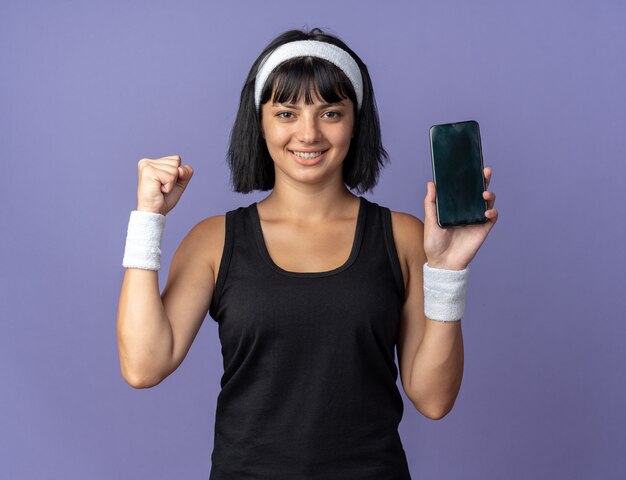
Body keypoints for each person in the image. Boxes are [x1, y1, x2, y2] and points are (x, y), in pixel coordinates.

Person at [117, 27, 498, 479]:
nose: (309, 133)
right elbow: (143, 366)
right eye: (286, 113)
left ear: (356, 122)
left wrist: (449, 270)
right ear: (259, 122)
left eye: (331, 112)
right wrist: (147, 220)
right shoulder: (213, 240)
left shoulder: (403, 237)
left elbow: (433, 400)